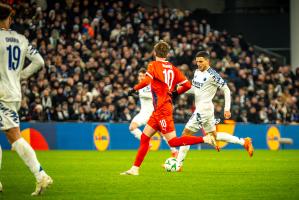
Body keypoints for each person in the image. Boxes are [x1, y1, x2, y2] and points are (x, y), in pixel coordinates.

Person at [120, 41, 216, 176]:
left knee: (173, 141)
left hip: (163, 109)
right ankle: (135, 169)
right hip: (159, 109)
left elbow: (147, 81)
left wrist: (133, 89)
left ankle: (205, 139)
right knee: (144, 138)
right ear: (167, 53)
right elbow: (187, 85)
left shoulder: (153, 65)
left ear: (154, 52)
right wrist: (176, 92)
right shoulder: (172, 68)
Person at [0, 3, 52, 195]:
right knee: (10, 134)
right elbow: (39, 61)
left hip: (1, 93)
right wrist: (20, 75)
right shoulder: (21, 39)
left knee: (14, 135)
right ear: (9, 19)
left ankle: (41, 175)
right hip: (13, 92)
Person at [174, 51, 254, 171]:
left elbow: (226, 90)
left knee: (186, 134)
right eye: (197, 62)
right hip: (205, 109)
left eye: (201, 61)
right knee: (214, 136)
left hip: (204, 109)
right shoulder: (196, 72)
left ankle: (178, 165)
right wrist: (178, 90)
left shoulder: (213, 75)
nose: (198, 64)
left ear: (208, 61)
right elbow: (195, 90)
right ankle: (244, 142)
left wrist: (227, 109)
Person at [129, 68, 178, 157]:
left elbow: (155, 96)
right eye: (139, 76)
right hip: (143, 114)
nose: (141, 78)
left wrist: (137, 94)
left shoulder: (152, 85)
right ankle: (147, 143)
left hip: (154, 113)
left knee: (163, 134)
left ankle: (174, 151)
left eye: (143, 76)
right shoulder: (139, 86)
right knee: (132, 127)